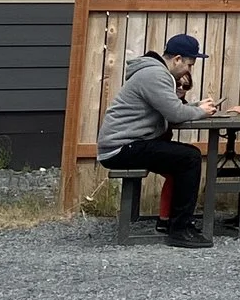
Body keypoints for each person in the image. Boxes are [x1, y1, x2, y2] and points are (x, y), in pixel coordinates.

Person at [96, 33, 228, 247]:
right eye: (189, 64)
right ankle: (179, 229)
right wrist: (201, 112)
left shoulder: (153, 72)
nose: (189, 70)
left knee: (184, 157)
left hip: (128, 143)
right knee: (190, 157)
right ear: (177, 59)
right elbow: (175, 114)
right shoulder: (155, 75)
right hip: (121, 147)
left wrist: (197, 107)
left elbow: (170, 108)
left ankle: (171, 222)